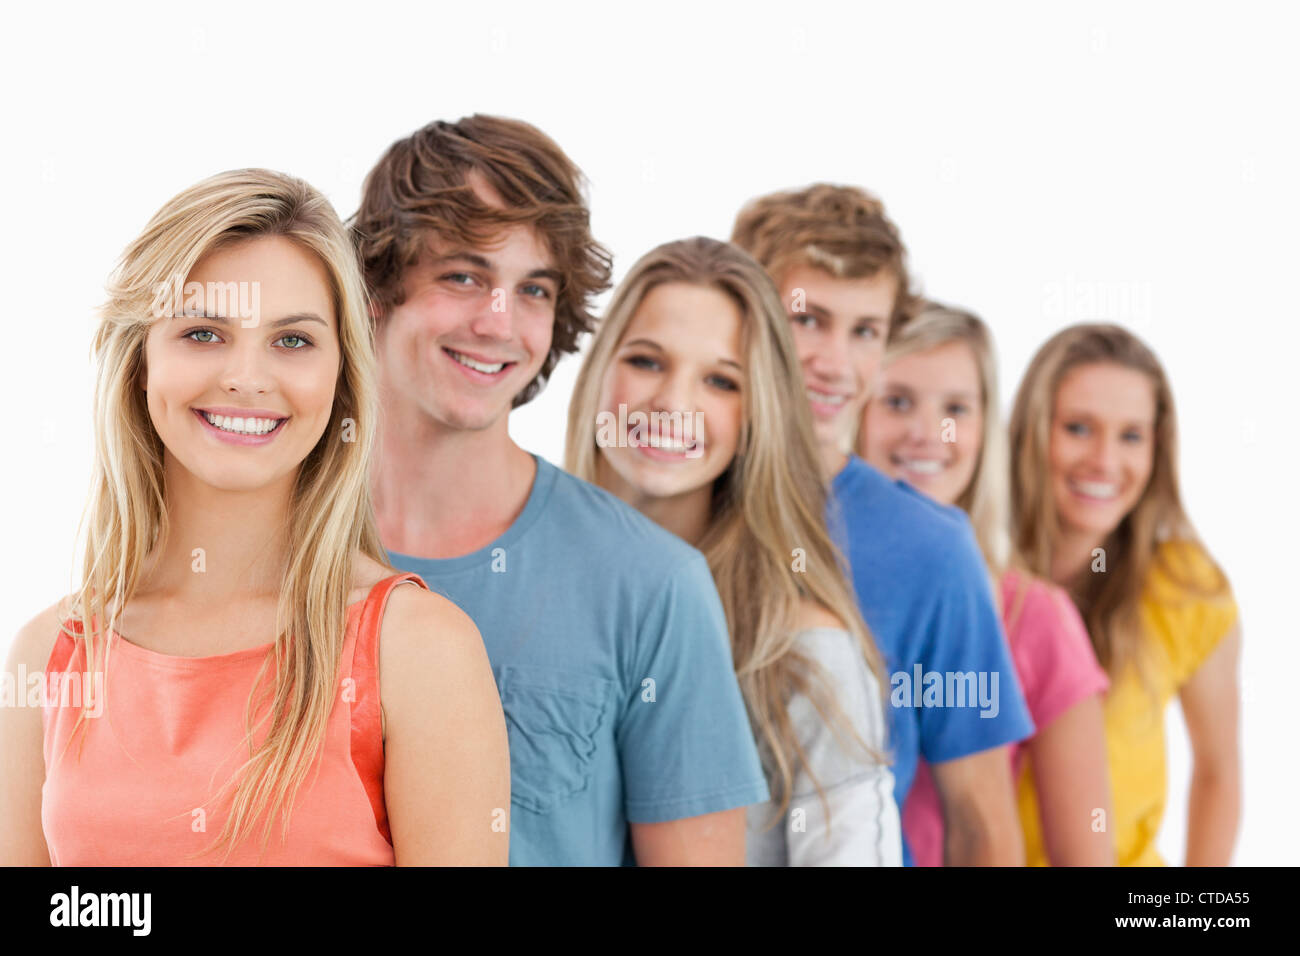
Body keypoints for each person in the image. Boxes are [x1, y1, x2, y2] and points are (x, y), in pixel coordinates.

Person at [0, 169, 508, 866]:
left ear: (339, 378)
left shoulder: (418, 650)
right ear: (142, 361)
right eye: (203, 333)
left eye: (292, 340)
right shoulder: (49, 653)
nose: (246, 375)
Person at [351, 116, 769, 866]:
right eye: (464, 275)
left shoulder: (653, 585)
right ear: (376, 289)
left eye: (533, 288)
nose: (498, 322)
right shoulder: (269, 548)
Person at [566, 236, 902, 865]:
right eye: (646, 361)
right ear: (599, 368)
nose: (673, 404)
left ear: (757, 415)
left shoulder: (805, 651)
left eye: (721, 381)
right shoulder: (530, 581)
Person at [732, 184, 1034, 865]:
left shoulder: (932, 549)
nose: (835, 363)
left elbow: (983, 826)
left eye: (865, 331)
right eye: (808, 319)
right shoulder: (675, 504)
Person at [858, 302, 1113, 865]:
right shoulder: (807, 588)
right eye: (897, 401)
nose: (928, 434)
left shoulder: (1036, 618)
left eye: (956, 409)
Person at [1008, 323, 1242, 866]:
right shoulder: (976, 572)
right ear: (1030, 430)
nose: (1104, 461)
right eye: (1078, 428)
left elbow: (1217, 771)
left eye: (1131, 436)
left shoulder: (1183, 590)